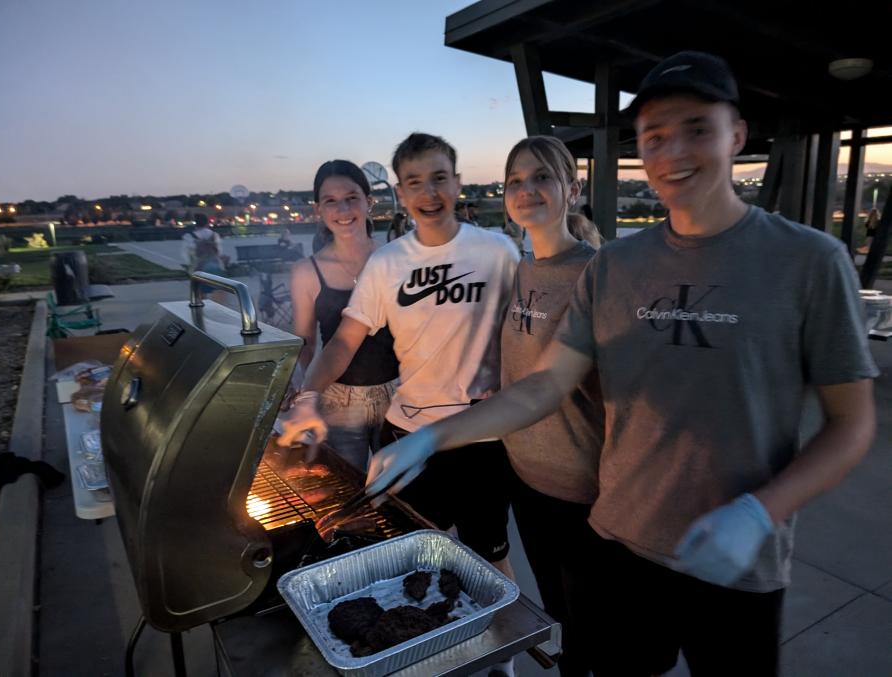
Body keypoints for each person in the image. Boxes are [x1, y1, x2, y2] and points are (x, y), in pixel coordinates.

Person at [367, 52, 878, 677]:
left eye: (697, 128)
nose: (673, 151)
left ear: (737, 135)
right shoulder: (616, 269)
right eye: (655, 137)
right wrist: (433, 436)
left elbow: (852, 425)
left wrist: (761, 510)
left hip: (737, 564)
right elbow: (545, 384)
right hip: (616, 542)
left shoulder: (809, 261)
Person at [279, 132, 520, 583]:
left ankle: (503, 656)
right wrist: (308, 393)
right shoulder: (387, 263)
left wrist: (512, 378)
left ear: (457, 183)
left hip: (480, 439)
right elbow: (344, 341)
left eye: (439, 179)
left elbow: (522, 330)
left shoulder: (498, 252)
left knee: (490, 556)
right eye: (414, 182)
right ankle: (440, 642)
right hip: (407, 430)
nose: (429, 194)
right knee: (417, 552)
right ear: (400, 192)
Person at [496, 135, 605, 675]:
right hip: (524, 477)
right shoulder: (519, 270)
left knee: (594, 627)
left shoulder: (596, 273)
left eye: (542, 177)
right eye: (516, 180)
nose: (527, 189)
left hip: (581, 486)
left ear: (572, 189)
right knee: (560, 613)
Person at [285, 160, 399, 471]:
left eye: (352, 197)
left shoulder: (395, 258)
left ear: (369, 202)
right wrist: (306, 393)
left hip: (398, 392)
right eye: (330, 201)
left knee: (403, 494)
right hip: (337, 401)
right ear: (318, 210)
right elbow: (305, 342)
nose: (343, 209)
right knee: (347, 492)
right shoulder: (307, 272)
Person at [182, 213, 230, 301]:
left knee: (199, 291)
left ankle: (200, 309)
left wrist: (189, 265)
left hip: (199, 267)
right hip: (215, 266)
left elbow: (187, 254)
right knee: (217, 289)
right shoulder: (214, 235)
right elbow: (219, 252)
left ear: (195, 223)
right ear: (207, 223)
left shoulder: (189, 236)